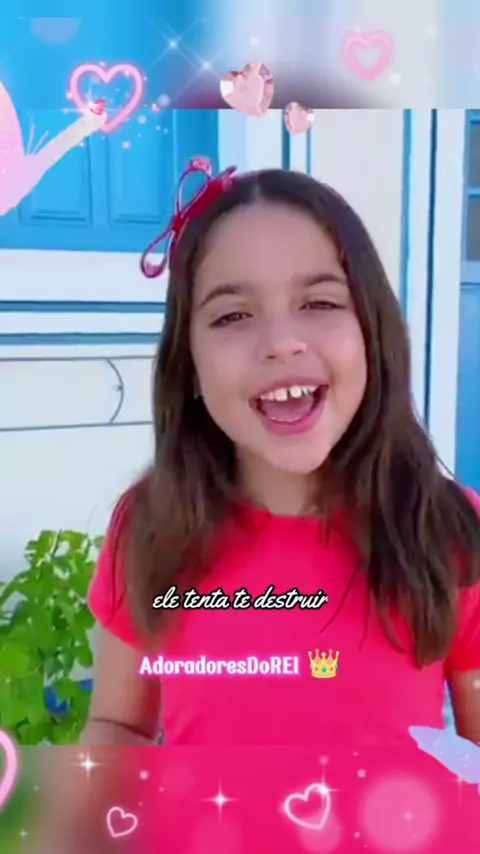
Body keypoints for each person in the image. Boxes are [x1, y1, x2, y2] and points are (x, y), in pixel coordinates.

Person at [34, 158, 480, 852]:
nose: (280, 342)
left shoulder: (446, 527)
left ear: (373, 331)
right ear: (189, 364)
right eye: (233, 315)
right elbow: (119, 726)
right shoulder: (151, 527)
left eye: (320, 303)